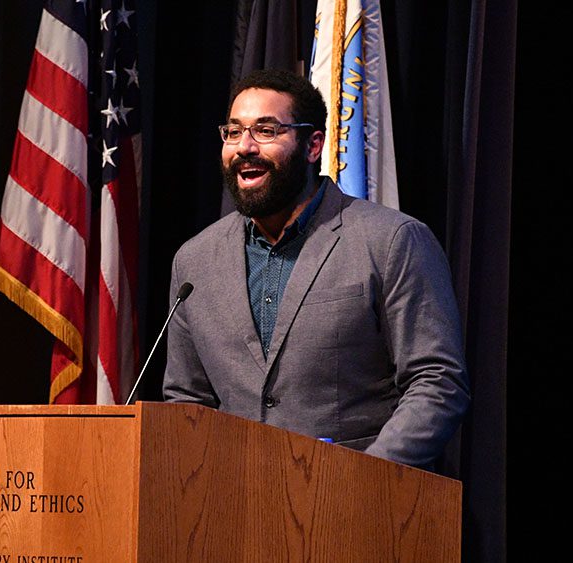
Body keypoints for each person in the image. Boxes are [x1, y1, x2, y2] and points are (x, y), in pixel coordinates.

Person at [162, 69, 470, 470]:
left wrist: (362, 479)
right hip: (235, 510)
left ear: (313, 146)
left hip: (362, 511)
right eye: (233, 132)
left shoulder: (392, 240)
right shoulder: (195, 261)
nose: (245, 146)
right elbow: (187, 400)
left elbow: (437, 382)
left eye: (266, 131)